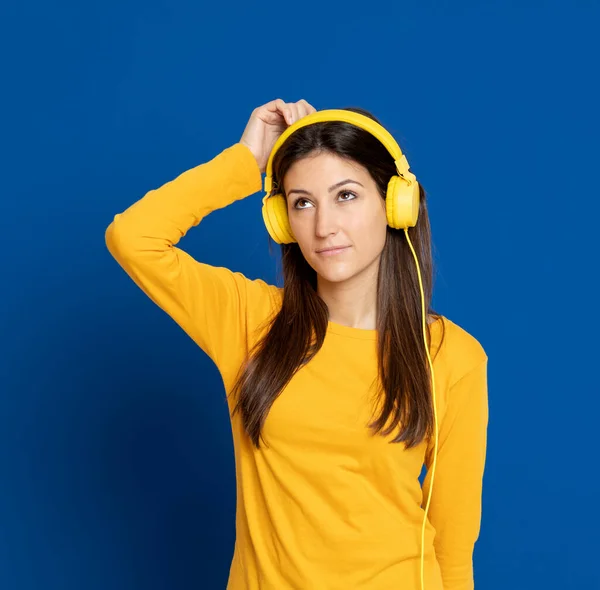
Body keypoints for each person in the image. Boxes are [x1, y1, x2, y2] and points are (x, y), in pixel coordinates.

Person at [105, 98, 489, 590]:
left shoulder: (451, 356)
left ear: (397, 204)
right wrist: (246, 161)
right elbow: (133, 237)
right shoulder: (250, 321)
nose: (323, 226)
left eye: (346, 195)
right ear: (282, 219)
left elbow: (453, 548)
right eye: (302, 202)